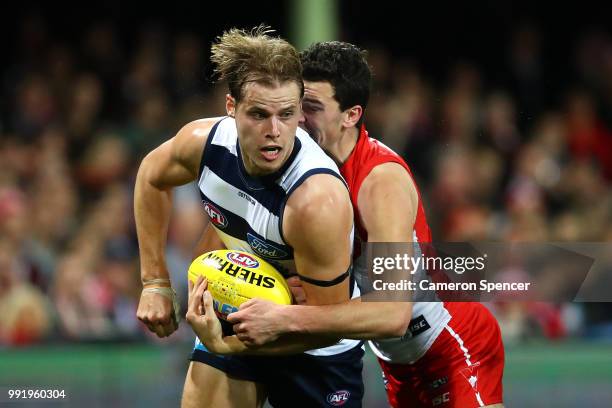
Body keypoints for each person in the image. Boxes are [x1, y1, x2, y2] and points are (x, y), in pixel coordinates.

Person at [216, 41, 505, 407]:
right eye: (295, 105)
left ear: (351, 115)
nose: (296, 119)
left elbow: (394, 313)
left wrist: (286, 317)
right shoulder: (297, 172)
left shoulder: (379, 183)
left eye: (311, 108)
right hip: (396, 362)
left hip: (451, 342)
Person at [134, 28, 364, 408]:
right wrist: (154, 281)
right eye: (258, 114)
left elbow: (330, 322)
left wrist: (228, 340)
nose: (274, 132)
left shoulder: (315, 200)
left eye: (287, 114)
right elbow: (150, 176)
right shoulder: (202, 144)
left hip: (313, 345)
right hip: (237, 310)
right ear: (231, 106)